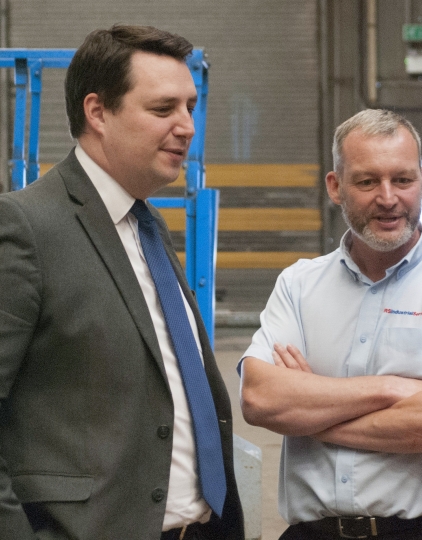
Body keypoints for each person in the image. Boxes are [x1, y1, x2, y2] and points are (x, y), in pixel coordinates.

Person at [0, 25, 243, 539]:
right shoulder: (26, 227)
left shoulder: (148, 227)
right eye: (163, 109)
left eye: (190, 106)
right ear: (97, 113)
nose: (187, 126)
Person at [240, 109, 422, 539]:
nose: (388, 198)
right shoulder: (299, 285)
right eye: (367, 181)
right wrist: (392, 388)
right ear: (336, 186)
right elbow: (260, 399)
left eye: (402, 180)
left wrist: (314, 413)